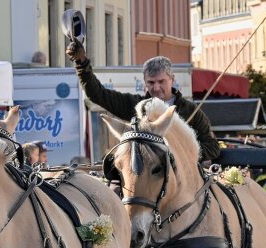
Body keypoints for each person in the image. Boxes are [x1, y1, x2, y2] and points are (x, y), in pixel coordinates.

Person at [67, 42, 220, 162]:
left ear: (172, 79)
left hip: (183, 182)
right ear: (145, 82)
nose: (156, 87)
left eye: (161, 81)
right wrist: (82, 64)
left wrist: (180, 153)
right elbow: (97, 94)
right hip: (142, 178)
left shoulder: (190, 111)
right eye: (151, 82)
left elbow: (213, 148)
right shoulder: (135, 105)